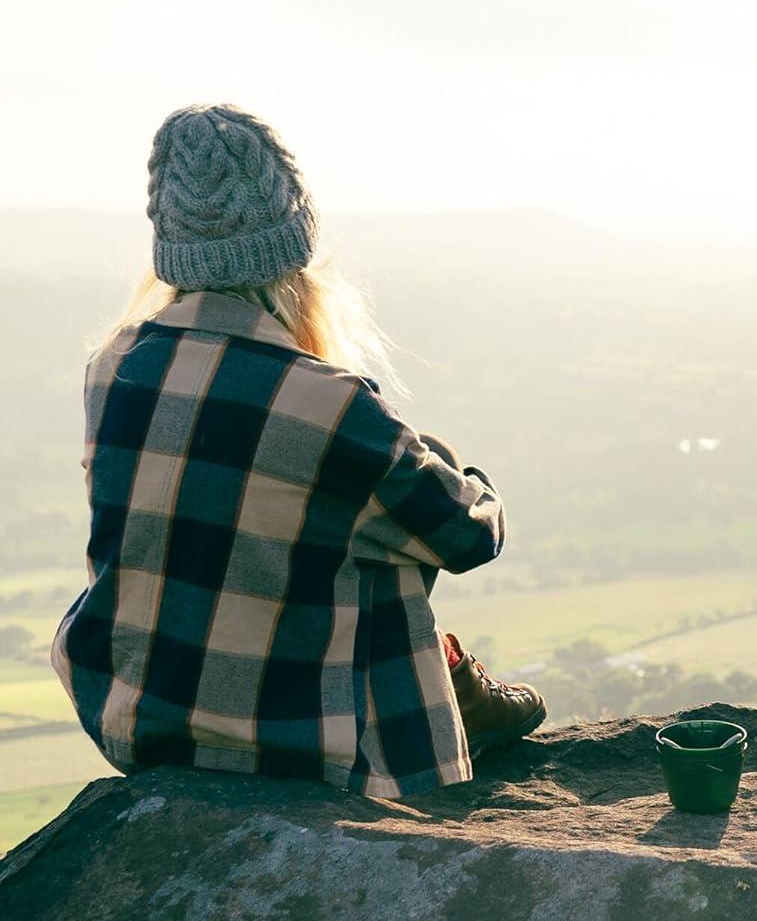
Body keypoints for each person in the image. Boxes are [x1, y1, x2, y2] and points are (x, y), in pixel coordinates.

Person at [51, 103, 546, 800]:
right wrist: (459, 468)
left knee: (325, 503)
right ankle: (450, 677)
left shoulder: (115, 365)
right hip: (291, 740)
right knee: (378, 518)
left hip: (135, 718)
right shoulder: (329, 402)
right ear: (295, 252)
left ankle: (450, 670)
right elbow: (467, 537)